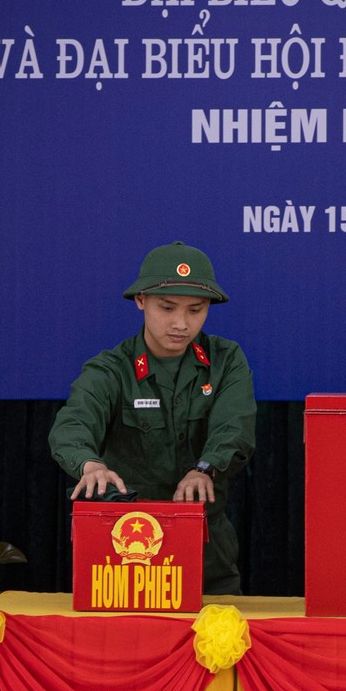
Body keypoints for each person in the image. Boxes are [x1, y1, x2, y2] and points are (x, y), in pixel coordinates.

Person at [48, 242, 257, 594]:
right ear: (141, 301)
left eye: (196, 310)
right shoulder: (111, 369)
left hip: (207, 549)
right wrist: (89, 465)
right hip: (125, 553)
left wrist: (204, 469)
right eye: (167, 307)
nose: (181, 323)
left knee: (220, 628)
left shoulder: (225, 360)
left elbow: (234, 428)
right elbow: (72, 425)